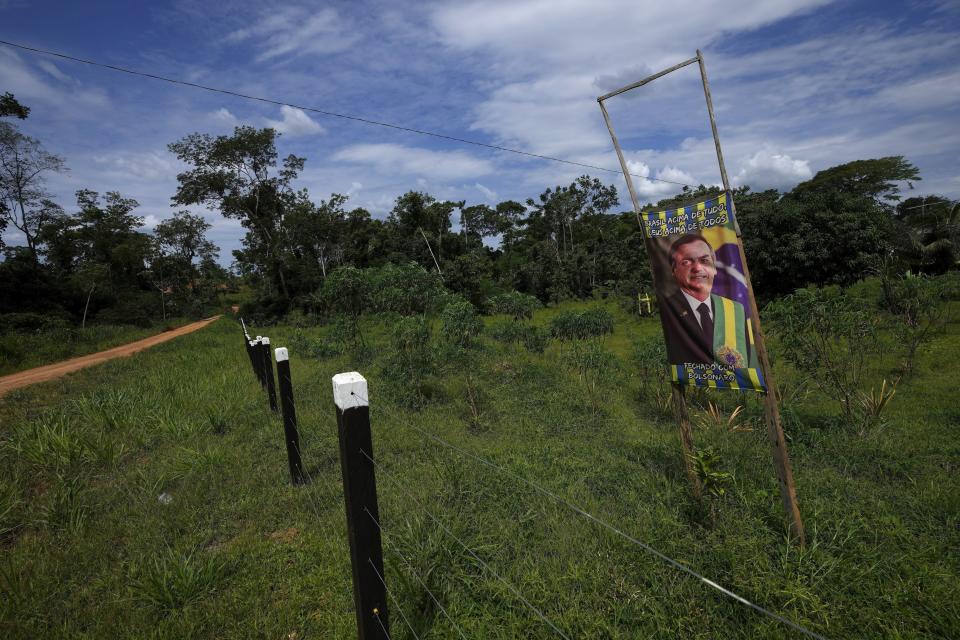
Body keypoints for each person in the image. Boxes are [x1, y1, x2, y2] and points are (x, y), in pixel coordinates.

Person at [659, 234, 756, 369]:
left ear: (714, 268)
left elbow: (746, 359)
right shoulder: (667, 309)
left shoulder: (736, 310)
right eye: (686, 262)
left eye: (704, 261)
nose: (698, 268)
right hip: (694, 381)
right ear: (673, 270)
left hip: (734, 385)